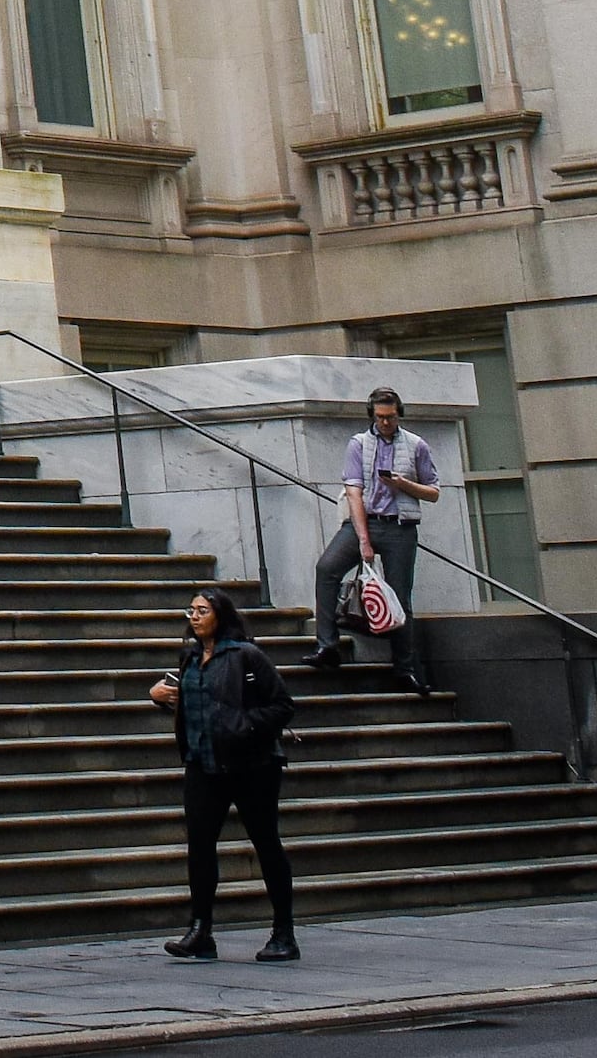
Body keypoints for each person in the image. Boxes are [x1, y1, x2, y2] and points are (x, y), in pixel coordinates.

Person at [154, 588, 299, 962]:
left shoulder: (246, 655)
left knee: (266, 843)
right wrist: (161, 697)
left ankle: (284, 932)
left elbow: (282, 706)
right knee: (200, 847)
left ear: (221, 614)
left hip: (252, 766)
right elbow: (194, 705)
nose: (195, 616)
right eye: (191, 610)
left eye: (202, 610)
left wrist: (243, 726)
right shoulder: (188, 658)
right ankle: (200, 929)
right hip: (202, 764)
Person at [309, 388, 445, 696]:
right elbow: (354, 492)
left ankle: (405, 668)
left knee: (401, 598)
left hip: (401, 525)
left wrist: (403, 484)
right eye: (381, 417)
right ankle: (327, 646)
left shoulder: (416, 445)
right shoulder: (358, 444)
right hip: (365, 521)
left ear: (400, 414)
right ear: (372, 415)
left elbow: (434, 492)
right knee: (327, 568)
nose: (386, 423)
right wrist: (363, 541)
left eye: (391, 417)